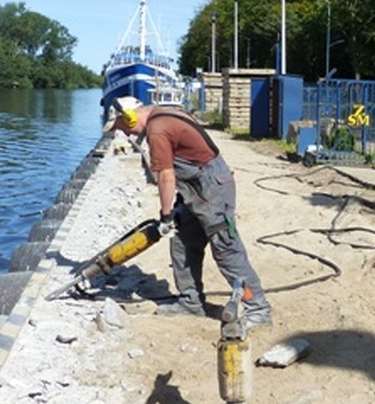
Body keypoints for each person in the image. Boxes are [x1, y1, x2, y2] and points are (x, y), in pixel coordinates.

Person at [102, 96, 272, 329]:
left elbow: (166, 176)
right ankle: (191, 301)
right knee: (183, 240)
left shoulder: (157, 130)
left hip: (210, 190)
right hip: (197, 188)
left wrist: (165, 215)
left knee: (226, 249)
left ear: (129, 118)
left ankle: (258, 309)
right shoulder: (164, 113)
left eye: (122, 127)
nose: (126, 134)